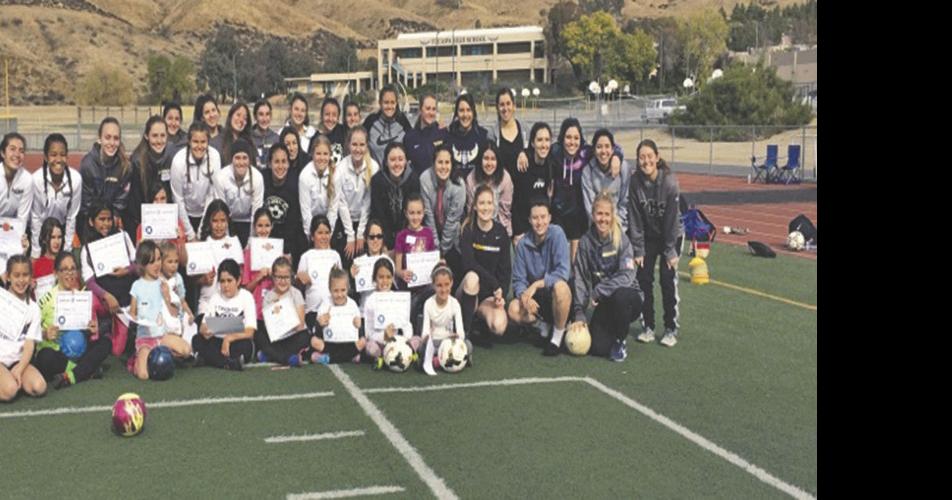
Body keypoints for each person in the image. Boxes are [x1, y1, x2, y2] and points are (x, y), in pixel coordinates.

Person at [571, 193, 643, 362]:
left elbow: (627, 276)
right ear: (593, 215)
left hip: (629, 298)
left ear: (612, 216)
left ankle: (620, 341)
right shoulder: (585, 242)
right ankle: (613, 330)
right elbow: (580, 277)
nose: (603, 219)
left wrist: (599, 291)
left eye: (606, 214)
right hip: (605, 301)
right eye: (599, 214)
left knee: (621, 296)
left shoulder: (622, 240)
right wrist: (579, 312)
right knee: (598, 348)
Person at [627, 139, 684, 348]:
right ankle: (648, 327)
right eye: (642, 157)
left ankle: (670, 328)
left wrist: (670, 252)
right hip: (649, 236)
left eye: (649, 156)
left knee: (667, 279)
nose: (646, 161)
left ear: (657, 158)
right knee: (643, 278)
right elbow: (635, 218)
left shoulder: (669, 182)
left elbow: (671, 220)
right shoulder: (635, 183)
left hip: (671, 235)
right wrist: (638, 249)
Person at [34, 251, 109, 389]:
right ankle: (86, 370)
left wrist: (91, 329)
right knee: (44, 358)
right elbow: (30, 332)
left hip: (78, 351)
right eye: (64, 270)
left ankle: (72, 375)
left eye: (73, 269)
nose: (70, 273)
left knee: (105, 343)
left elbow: (87, 332)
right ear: (56, 273)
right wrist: (45, 333)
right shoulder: (46, 300)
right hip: (56, 353)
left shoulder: (82, 297)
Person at [508, 199, 572, 356]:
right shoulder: (523, 244)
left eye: (543, 217)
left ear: (549, 218)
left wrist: (536, 284)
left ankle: (557, 338)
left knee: (561, 287)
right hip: (538, 301)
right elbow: (518, 280)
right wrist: (524, 296)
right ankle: (542, 325)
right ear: (529, 220)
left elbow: (563, 272)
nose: (539, 222)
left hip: (557, 297)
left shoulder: (558, 234)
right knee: (513, 309)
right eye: (535, 218)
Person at [79, 200, 137, 357]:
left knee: (117, 351)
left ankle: (115, 330)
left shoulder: (123, 236)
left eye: (109, 219)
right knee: (89, 300)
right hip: (105, 300)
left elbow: (138, 264)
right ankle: (94, 340)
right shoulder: (87, 248)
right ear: (91, 221)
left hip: (124, 300)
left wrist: (126, 270)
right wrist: (107, 296)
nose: (106, 224)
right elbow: (89, 281)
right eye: (101, 219)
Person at [128, 240, 192, 380]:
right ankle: (137, 360)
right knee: (144, 376)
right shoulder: (137, 286)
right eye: (152, 262)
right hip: (145, 338)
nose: (157, 264)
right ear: (143, 265)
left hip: (162, 336)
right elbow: (132, 313)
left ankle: (164, 355)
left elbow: (175, 313)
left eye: (158, 259)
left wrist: (167, 297)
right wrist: (135, 317)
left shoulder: (164, 284)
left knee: (186, 351)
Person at [457, 185, 510, 344]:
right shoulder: (468, 230)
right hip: (468, 291)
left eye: (489, 203)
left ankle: (478, 322)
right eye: (481, 203)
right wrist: (494, 284)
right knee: (472, 278)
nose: (485, 207)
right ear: (474, 206)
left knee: (499, 327)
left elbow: (506, 270)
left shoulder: (501, 233)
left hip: (488, 296)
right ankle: (464, 333)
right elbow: (469, 264)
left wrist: (501, 295)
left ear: (494, 206)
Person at [329, 127, 379, 266]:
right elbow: (341, 202)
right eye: (354, 144)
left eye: (362, 145)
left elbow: (367, 202)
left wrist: (360, 233)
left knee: (363, 259)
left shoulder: (373, 168)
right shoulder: (341, 169)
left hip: (364, 220)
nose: (358, 149)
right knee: (347, 253)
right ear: (348, 145)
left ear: (367, 146)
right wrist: (350, 235)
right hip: (345, 220)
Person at [0, 255, 47, 401]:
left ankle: (9, 378)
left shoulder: (33, 308)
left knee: (39, 387)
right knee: (10, 391)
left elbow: (29, 345)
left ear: (31, 277)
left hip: (18, 360)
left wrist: (19, 369)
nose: (21, 280)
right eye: (16, 275)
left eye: (25, 275)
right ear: (8, 277)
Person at [193, 258, 255, 370]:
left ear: (239, 280)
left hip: (235, 341)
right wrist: (206, 330)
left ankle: (208, 359)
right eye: (222, 281)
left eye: (229, 280)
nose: (225, 285)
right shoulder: (215, 297)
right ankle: (229, 363)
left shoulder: (246, 297)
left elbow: (250, 332)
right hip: (216, 340)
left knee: (246, 346)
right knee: (197, 340)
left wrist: (229, 338)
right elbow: (203, 326)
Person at [363, 258, 420, 369]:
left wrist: (404, 338)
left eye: (388, 277)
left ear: (393, 278)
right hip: (380, 343)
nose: (385, 281)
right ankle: (381, 357)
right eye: (381, 277)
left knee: (417, 340)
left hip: (400, 341)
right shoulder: (370, 300)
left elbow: (407, 324)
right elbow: (368, 333)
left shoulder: (398, 298)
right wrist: (383, 336)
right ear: (375, 278)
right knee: (370, 347)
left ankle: (407, 353)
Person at [79, 117, 132, 236]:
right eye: (107, 138)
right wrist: (97, 222)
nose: (112, 143)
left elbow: (121, 200)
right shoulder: (87, 164)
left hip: (112, 222)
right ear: (99, 138)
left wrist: (113, 218)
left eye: (116, 138)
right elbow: (86, 202)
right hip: (91, 223)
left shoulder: (126, 167)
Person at [30, 134, 81, 257]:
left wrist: (67, 250)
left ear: (67, 156)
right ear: (46, 157)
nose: (58, 159)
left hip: (61, 231)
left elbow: (71, 217)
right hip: (42, 231)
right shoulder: (36, 180)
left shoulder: (75, 179)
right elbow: (35, 217)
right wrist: (36, 251)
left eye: (62, 155)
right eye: (53, 155)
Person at [419, 146, 465, 281]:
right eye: (440, 162)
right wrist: (435, 250)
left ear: (452, 164)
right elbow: (428, 216)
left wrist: (442, 252)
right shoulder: (425, 179)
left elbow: (452, 221)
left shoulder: (459, 184)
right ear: (433, 164)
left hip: (452, 238)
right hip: (430, 233)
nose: (443, 167)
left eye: (447, 162)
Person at [170, 122, 221, 240]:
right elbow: (178, 199)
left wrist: (201, 230)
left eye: (203, 142)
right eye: (195, 142)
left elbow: (212, 194)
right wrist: (190, 234)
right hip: (184, 214)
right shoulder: (178, 162)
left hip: (206, 214)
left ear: (208, 142)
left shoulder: (215, 157)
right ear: (189, 141)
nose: (199, 146)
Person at [255, 256, 310, 367]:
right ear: (273, 278)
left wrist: (283, 309)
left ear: (291, 277)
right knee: (258, 335)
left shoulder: (296, 294)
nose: (283, 281)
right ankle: (288, 358)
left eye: (286, 277)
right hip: (277, 338)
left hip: (294, 336)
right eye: (279, 277)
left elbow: (300, 325)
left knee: (305, 336)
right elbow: (269, 326)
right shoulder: (268, 297)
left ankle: (272, 355)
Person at [419, 266, 472, 376]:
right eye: (439, 285)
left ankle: (439, 360)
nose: (443, 290)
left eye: (447, 284)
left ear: (452, 283)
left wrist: (456, 336)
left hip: (449, 342)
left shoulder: (455, 304)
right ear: (433, 285)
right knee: (421, 348)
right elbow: (425, 331)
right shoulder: (428, 303)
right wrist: (426, 338)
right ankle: (444, 359)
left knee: (468, 345)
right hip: (434, 343)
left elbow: (461, 332)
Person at [212, 139, 264, 247]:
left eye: (244, 158)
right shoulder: (221, 177)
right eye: (237, 158)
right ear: (232, 159)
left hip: (248, 221)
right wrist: (226, 241)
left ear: (249, 160)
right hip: (229, 221)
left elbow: (256, 213)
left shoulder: (257, 178)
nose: (241, 162)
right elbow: (221, 212)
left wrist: (251, 242)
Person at [307, 266, 364, 364]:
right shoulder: (325, 304)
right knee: (314, 341)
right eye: (336, 291)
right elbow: (316, 331)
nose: (340, 294)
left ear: (348, 289)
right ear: (330, 289)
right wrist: (320, 323)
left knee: (363, 341)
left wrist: (358, 324)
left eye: (343, 290)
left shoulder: (352, 304)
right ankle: (349, 357)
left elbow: (359, 329)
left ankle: (328, 358)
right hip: (330, 344)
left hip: (347, 343)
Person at [296, 215, 342, 335]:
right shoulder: (306, 256)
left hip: (333, 308)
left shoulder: (335, 255)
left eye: (327, 233)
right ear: (312, 236)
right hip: (313, 310)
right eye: (320, 233)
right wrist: (300, 280)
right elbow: (298, 288)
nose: (324, 236)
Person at [128, 116, 171, 241]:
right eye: (155, 135)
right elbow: (135, 204)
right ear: (146, 136)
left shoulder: (170, 156)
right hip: (143, 223)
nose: (159, 140)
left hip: (164, 220)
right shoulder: (137, 162)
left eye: (163, 135)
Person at [370, 142, 420, 248]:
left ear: (406, 161)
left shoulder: (413, 180)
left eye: (400, 159)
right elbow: (378, 215)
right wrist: (387, 243)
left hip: (408, 234)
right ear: (386, 162)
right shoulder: (377, 181)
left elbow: (413, 215)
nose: (397, 164)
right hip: (384, 237)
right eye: (392, 160)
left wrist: (403, 241)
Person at [511, 122, 554, 246]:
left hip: (541, 227)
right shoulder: (523, 165)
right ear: (532, 143)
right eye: (539, 140)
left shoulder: (551, 164)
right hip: (522, 229)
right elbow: (516, 201)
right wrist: (518, 232)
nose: (544, 144)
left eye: (547, 140)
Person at [263, 142, 305, 264]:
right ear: (270, 164)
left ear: (288, 163)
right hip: (266, 236)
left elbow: (293, 224)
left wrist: (287, 251)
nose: (280, 166)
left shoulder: (294, 184)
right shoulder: (262, 180)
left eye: (284, 161)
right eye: (276, 162)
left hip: (287, 238)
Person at [582, 129, 630, 233]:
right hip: (597, 227)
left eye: (607, 146)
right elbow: (589, 206)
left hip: (619, 226)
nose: (603, 151)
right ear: (594, 150)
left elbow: (624, 202)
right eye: (599, 147)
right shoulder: (587, 171)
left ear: (613, 149)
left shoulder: (623, 168)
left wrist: (616, 226)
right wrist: (601, 226)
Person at [464, 141, 513, 237]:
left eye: (493, 159)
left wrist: (503, 236)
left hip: (500, 227)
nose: (489, 163)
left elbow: (505, 213)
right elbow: (471, 211)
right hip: (477, 226)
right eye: (486, 158)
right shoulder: (471, 179)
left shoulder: (505, 179)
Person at [362, 85, 412, 165]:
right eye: (386, 102)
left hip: (398, 174)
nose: (389, 106)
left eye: (392, 102)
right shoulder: (371, 122)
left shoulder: (403, 122)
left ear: (396, 103)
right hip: (376, 175)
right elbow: (359, 142)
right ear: (380, 103)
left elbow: (412, 145)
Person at [443, 93, 489, 180]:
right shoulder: (448, 136)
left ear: (473, 112)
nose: (465, 115)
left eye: (468, 110)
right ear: (456, 113)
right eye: (461, 110)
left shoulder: (483, 136)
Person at [402, 93, 445, 176]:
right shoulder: (409, 138)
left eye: (434, 109)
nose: (431, 112)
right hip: (417, 186)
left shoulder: (443, 133)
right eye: (428, 109)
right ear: (420, 110)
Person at [0, 132, 34, 236]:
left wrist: (17, 243)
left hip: (11, 227)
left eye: (21, 151)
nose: (17, 155)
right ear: (2, 153)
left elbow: (22, 219)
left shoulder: (27, 179)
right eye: (12, 149)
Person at [251, 100, 280, 170]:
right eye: (261, 114)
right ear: (255, 116)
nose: (264, 119)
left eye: (267, 114)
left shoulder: (276, 139)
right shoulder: (249, 138)